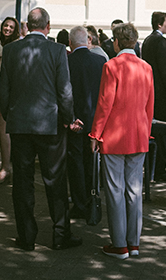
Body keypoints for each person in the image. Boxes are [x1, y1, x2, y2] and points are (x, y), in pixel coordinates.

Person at [0, 7, 82, 251]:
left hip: (21, 124)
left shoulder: (11, 50)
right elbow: (64, 90)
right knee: (55, 180)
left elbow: (3, 88)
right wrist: (68, 118)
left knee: (22, 183)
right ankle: (60, 234)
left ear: (26, 25)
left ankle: (26, 236)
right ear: (48, 26)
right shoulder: (57, 50)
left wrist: (10, 114)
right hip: (50, 124)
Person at [90, 22, 154, 260]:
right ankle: (134, 242)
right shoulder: (146, 67)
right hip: (138, 135)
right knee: (134, 189)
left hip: (115, 136)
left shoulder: (111, 66)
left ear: (116, 42)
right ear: (135, 42)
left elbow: (105, 104)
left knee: (115, 189)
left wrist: (96, 134)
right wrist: (146, 132)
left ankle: (119, 244)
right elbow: (150, 105)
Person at [66, 26, 106, 220]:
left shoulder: (67, 61)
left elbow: (64, 93)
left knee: (75, 163)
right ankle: (91, 198)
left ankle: (79, 202)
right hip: (95, 120)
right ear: (88, 40)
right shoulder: (100, 61)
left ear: (70, 43)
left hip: (76, 121)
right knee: (92, 162)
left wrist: (70, 117)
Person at [141, 11, 166, 182]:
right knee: (165, 132)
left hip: (150, 92)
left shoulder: (147, 40)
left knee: (153, 131)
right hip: (161, 94)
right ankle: (160, 169)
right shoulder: (160, 41)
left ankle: (151, 166)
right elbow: (165, 70)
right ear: (160, 24)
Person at [0, 16, 21, 185]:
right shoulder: (1, 43)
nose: (7, 28)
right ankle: (6, 167)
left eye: (11, 26)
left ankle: (5, 169)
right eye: (5, 25)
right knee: (0, 130)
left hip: (8, 93)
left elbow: (1, 52)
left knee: (3, 130)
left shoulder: (11, 45)